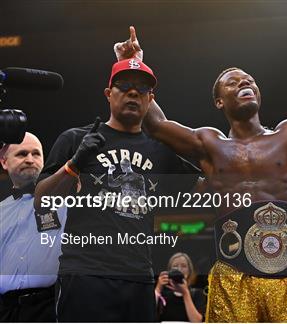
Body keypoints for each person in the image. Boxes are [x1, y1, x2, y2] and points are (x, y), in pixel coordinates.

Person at [113, 22, 287, 322]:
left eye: (249, 80)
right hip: (234, 275)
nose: (244, 83)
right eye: (233, 83)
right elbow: (155, 125)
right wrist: (133, 65)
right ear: (219, 101)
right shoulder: (209, 143)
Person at [33, 58, 199, 321]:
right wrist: (74, 164)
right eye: (124, 86)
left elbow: (207, 188)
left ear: (150, 98)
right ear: (109, 94)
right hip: (85, 275)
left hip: (139, 277)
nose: (133, 92)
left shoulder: (161, 151)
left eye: (142, 89)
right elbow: (42, 201)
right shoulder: (76, 139)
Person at [0, 133, 67, 322]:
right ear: (4, 162)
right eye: (22, 154)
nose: (30, 160)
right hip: (5, 309)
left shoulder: (64, 202)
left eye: (36, 154)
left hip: (48, 307)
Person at [155, 252, 206, 322]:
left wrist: (185, 293)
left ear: (189, 271)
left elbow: (197, 321)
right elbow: (148, 315)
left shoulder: (197, 294)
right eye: (175, 266)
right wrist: (158, 288)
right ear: (169, 270)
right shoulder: (164, 293)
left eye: (184, 266)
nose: (179, 269)